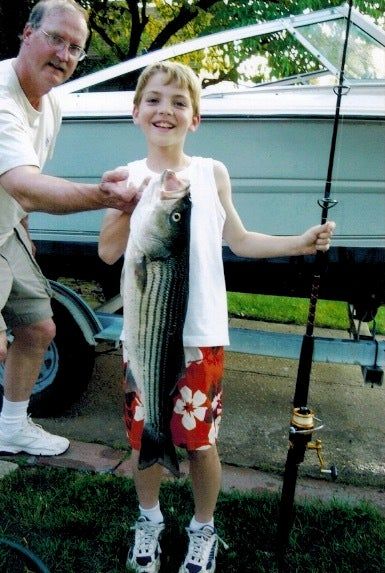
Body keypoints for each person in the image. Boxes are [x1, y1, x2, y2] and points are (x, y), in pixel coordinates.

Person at [98, 61, 335, 573]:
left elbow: (242, 240)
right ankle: (149, 519)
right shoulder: (128, 177)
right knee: (145, 437)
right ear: (136, 111)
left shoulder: (210, 172)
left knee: (201, 442)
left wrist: (299, 242)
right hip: (143, 336)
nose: (167, 110)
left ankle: (203, 526)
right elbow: (108, 253)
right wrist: (125, 205)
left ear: (196, 118)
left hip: (201, 335)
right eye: (155, 100)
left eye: (180, 102)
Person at [0, 0, 141, 457]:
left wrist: (24, 231)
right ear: (26, 34)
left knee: (39, 328)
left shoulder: (52, 101)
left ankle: (12, 427)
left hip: (6, 229)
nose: (63, 54)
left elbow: (25, 185)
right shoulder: (2, 98)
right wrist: (105, 196)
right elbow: (26, 186)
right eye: (55, 39)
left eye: (75, 48)